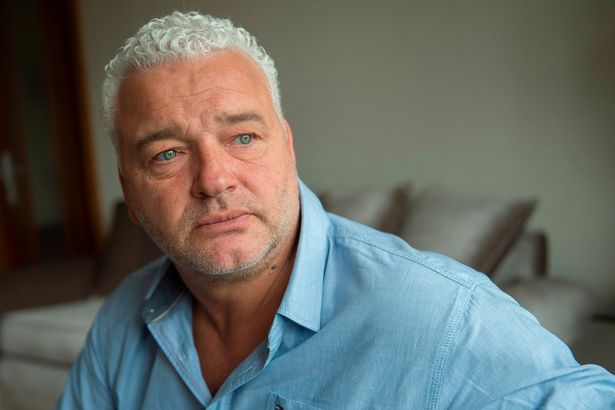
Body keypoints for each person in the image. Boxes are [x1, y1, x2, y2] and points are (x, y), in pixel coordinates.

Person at [58, 11, 615, 409]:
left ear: (288, 147)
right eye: (167, 154)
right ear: (130, 193)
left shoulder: (443, 317)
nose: (214, 179)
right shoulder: (120, 324)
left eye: (244, 137)